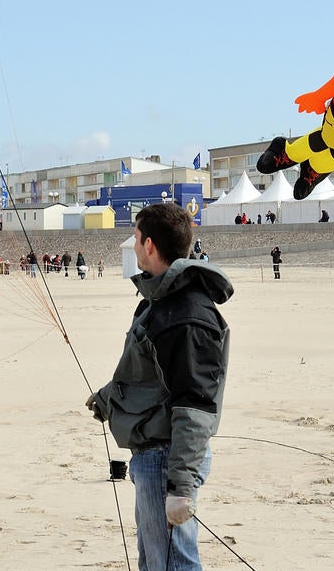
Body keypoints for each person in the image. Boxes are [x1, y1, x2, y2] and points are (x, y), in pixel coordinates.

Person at [88, 203, 232, 571]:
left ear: (149, 245)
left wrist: (180, 487)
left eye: (136, 239)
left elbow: (194, 404)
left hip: (168, 457)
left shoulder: (185, 313)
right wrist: (108, 398)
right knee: (155, 562)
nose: (134, 246)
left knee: (173, 563)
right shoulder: (160, 303)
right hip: (155, 455)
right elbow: (147, 375)